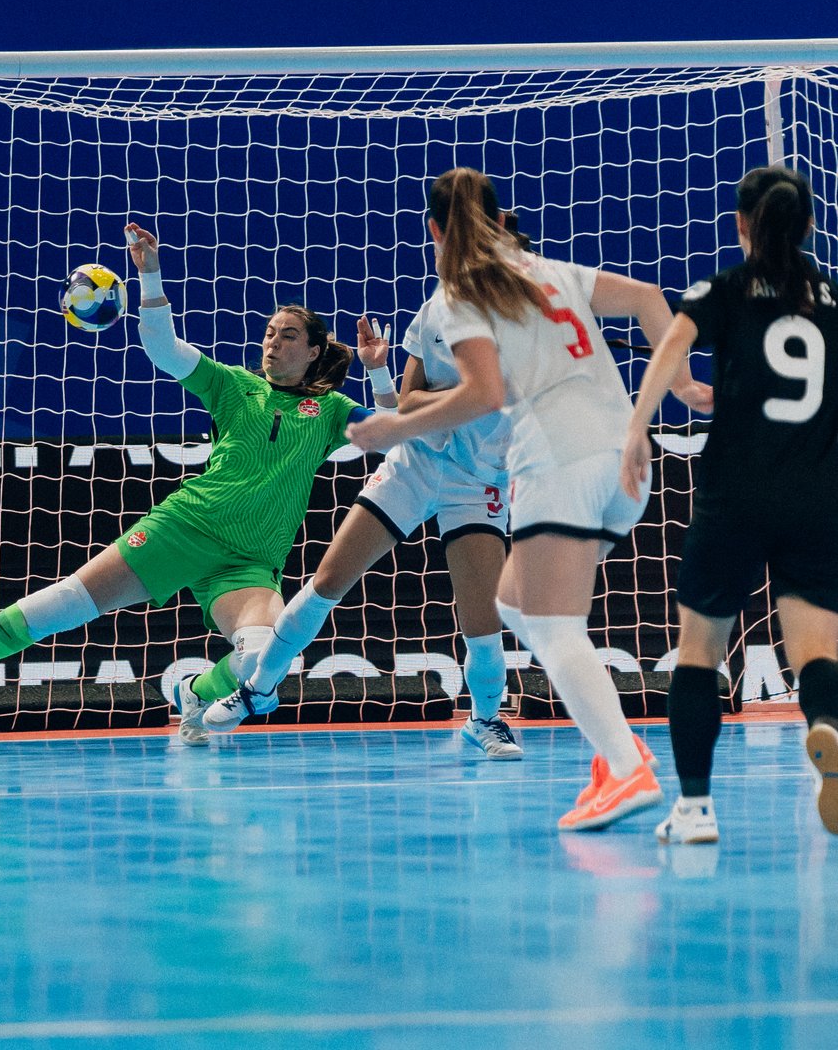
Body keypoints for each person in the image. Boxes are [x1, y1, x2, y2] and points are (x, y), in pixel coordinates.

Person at [221, 168, 709, 831]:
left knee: (522, 621)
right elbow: (649, 298)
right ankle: (258, 690)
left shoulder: (468, 295)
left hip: (514, 472)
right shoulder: (522, 284)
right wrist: (677, 388)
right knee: (483, 601)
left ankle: (603, 759)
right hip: (590, 461)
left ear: (436, 231)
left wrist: (391, 424)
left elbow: (474, 394)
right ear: (500, 224)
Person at [0, 223, 394, 743]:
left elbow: (396, 434)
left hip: (251, 561)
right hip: (185, 527)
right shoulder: (234, 386)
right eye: (268, 333)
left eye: (288, 336)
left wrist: (377, 373)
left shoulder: (330, 411)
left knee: (266, 655)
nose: (273, 343)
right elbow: (164, 349)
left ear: (312, 352)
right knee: (66, 604)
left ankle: (194, 691)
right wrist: (151, 276)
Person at [204, 174, 523, 759]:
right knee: (328, 581)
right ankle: (257, 689)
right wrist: (460, 393)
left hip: (479, 481)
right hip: (416, 464)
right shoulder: (434, 315)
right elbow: (405, 405)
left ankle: (485, 719)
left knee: (482, 620)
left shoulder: (534, 318)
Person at [620, 165, 838, 843]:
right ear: (806, 225)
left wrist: (637, 427)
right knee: (816, 650)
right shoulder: (829, 297)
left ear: (740, 224)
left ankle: (693, 810)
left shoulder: (724, 289)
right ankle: (823, 726)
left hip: (734, 494)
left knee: (699, 651)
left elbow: (672, 347)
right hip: (816, 495)